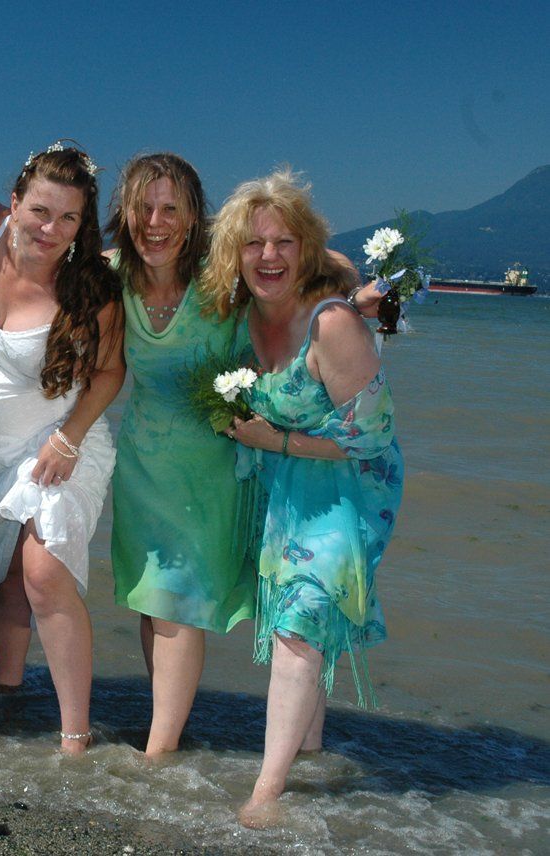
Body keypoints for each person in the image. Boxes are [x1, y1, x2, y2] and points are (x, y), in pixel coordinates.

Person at [201, 169, 403, 825]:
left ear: (305, 249)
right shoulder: (245, 312)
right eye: (254, 242)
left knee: (297, 624)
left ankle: (266, 793)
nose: (269, 256)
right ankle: (309, 749)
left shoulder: (332, 323)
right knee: (305, 624)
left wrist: (275, 440)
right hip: (286, 485)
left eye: (284, 242)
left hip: (350, 487)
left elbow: (371, 441)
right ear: (233, 252)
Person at [0, 145, 124, 754]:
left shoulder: (91, 287)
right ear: (15, 203)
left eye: (69, 218)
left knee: (44, 575)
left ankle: (75, 736)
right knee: (5, 581)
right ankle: (4, 697)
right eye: (41, 211)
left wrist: (68, 437)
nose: (51, 228)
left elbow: (109, 372)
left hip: (61, 442)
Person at [105, 154, 255, 757]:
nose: (155, 222)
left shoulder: (224, 279)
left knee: (177, 606)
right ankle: (169, 727)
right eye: (143, 208)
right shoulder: (112, 274)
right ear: (125, 213)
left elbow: (320, 264)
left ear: (195, 218)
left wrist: (361, 298)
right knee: (153, 603)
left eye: (171, 208)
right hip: (142, 470)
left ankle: (158, 754)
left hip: (211, 472)